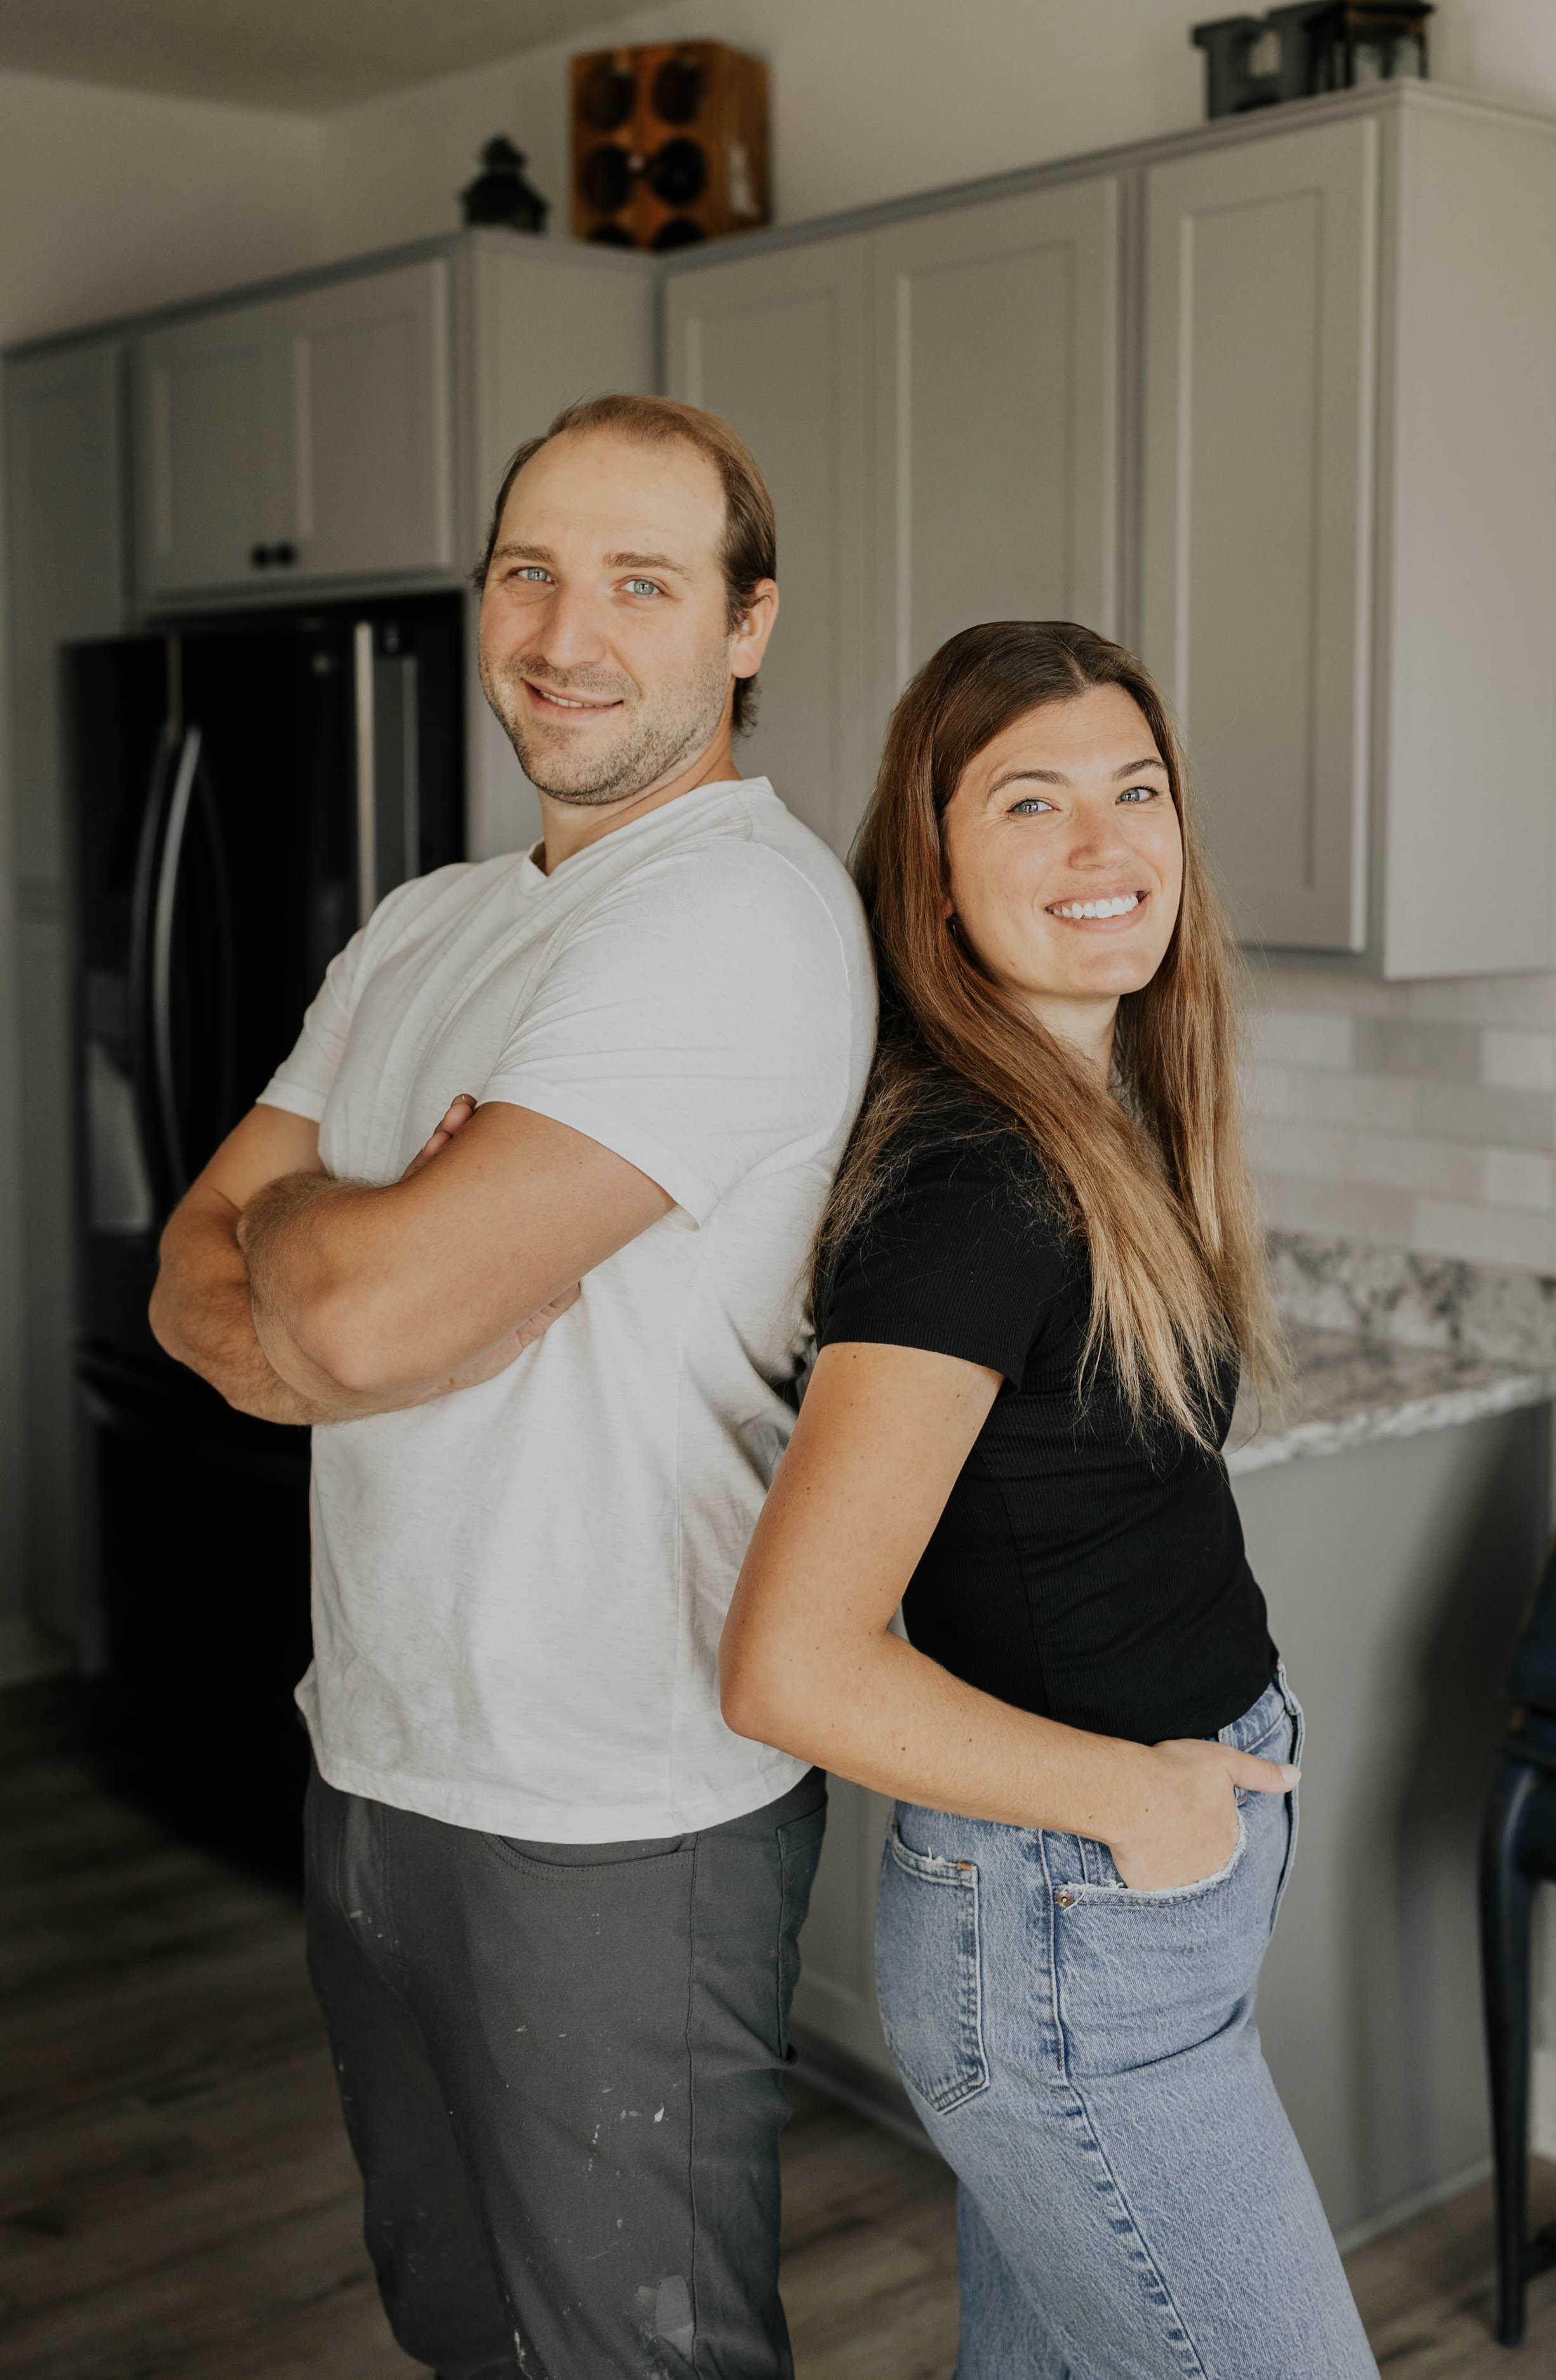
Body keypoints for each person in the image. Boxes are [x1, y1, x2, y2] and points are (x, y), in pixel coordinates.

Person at [149, 392, 875, 2380]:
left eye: (642, 582)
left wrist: (330, 1265)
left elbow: (347, 1322)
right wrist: (360, 1257)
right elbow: (186, 1282)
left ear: (746, 626)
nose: (566, 633)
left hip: (611, 1801)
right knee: (458, 2319)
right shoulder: (429, 923)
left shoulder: (734, 908)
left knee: (632, 2352)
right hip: (379, 1745)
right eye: (529, 573)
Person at [719, 621, 1376, 2377]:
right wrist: (1141, 1807)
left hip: (1123, 1904)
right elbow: (790, 1661)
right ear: (932, 877)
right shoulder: (973, 1183)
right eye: (1030, 804)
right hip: (1070, 1927)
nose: (1106, 850)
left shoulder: (1092, 1113)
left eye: (1134, 792)